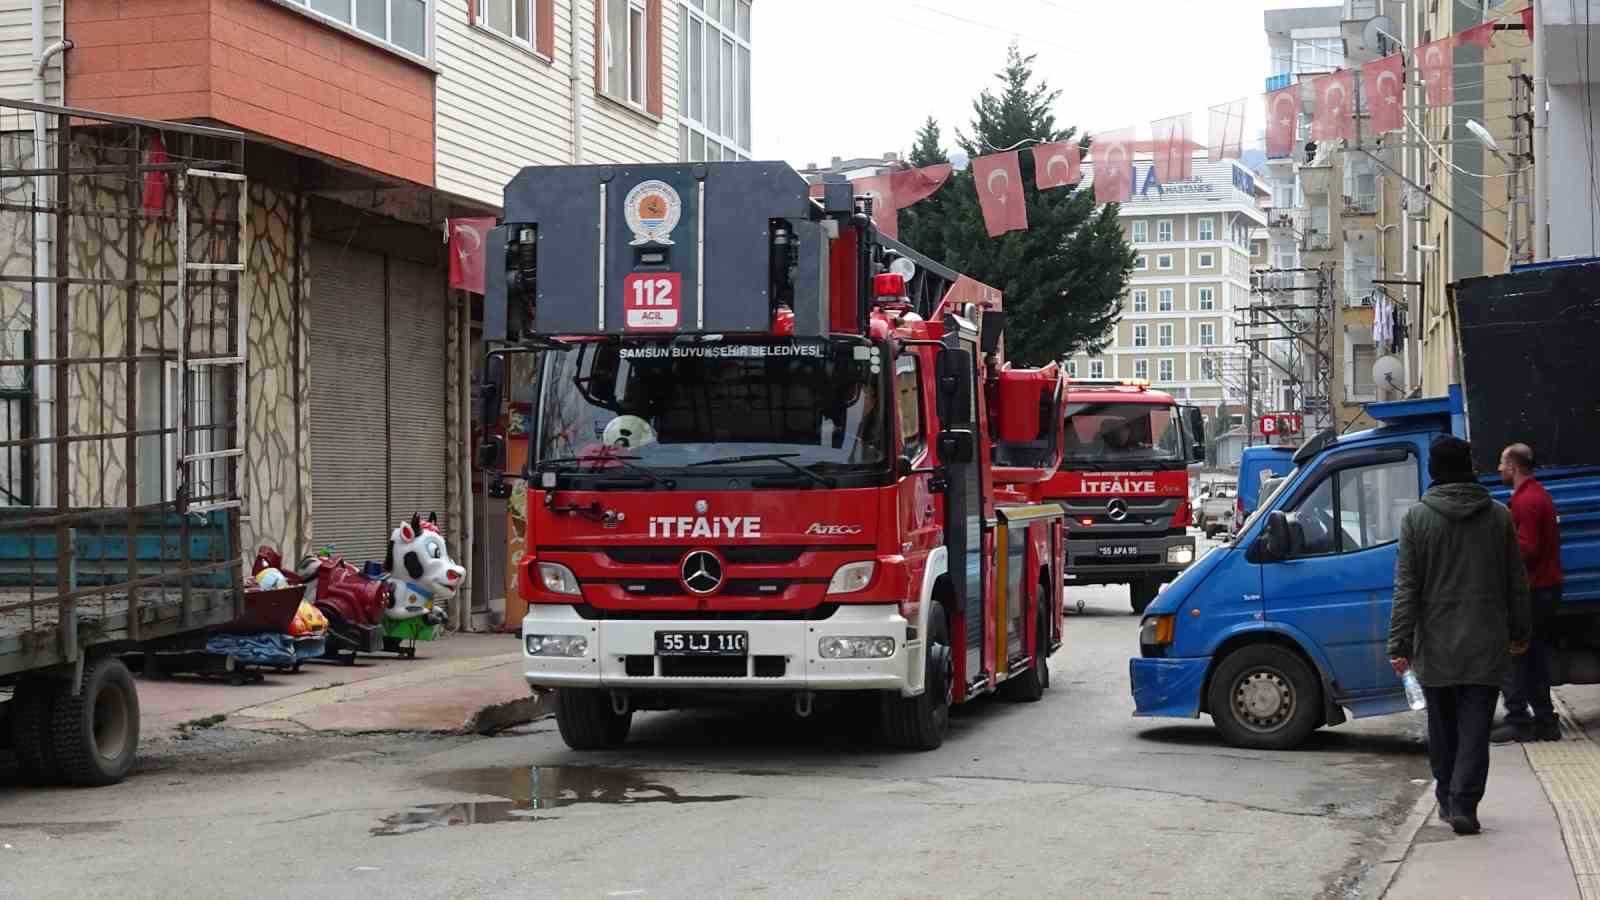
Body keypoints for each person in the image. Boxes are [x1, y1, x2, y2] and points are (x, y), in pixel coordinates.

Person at [1388, 436, 1531, 836]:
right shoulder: (1498, 517)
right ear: (1470, 467)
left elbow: (1407, 588)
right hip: (1486, 642)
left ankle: (1448, 797)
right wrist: (1520, 631)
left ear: (1434, 470)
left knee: (1443, 726)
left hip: (1435, 644)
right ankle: (1465, 802)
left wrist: (1398, 643)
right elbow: (1515, 583)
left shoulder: (1416, 519)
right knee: (1475, 728)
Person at [1492, 442, 1564, 743]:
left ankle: (1520, 719)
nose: (1498, 469)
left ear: (1513, 467)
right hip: (1544, 588)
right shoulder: (1533, 495)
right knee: (1533, 657)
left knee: (1516, 655)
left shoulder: (1527, 501)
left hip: (1535, 591)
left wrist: (1497, 553)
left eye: (1501, 463)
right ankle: (1545, 722)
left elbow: (1527, 549)